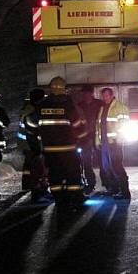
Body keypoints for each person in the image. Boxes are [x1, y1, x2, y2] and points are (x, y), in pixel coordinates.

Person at [33, 77, 87, 207]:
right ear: (64, 89)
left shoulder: (41, 105)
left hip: (49, 149)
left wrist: (38, 139)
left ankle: (59, 199)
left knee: (54, 173)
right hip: (68, 148)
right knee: (72, 173)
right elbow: (78, 125)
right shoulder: (68, 105)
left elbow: (31, 124)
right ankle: (75, 197)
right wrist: (83, 139)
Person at [97, 87, 131, 200]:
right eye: (104, 96)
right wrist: (98, 141)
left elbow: (124, 125)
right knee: (107, 167)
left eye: (107, 95)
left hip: (115, 143)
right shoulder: (103, 107)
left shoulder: (120, 107)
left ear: (112, 95)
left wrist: (119, 140)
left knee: (117, 166)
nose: (105, 98)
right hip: (105, 143)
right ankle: (114, 189)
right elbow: (99, 127)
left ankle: (125, 192)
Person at [18, 88, 49, 203]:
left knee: (31, 168)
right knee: (38, 170)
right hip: (33, 146)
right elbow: (35, 129)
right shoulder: (32, 111)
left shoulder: (28, 109)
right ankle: (38, 193)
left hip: (27, 145)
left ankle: (30, 187)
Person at [77, 85, 103, 193]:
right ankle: (90, 183)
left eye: (87, 93)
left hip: (97, 136)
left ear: (92, 93)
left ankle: (108, 182)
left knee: (103, 161)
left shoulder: (99, 104)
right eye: (83, 93)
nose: (85, 95)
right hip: (85, 137)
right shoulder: (79, 105)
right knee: (86, 161)